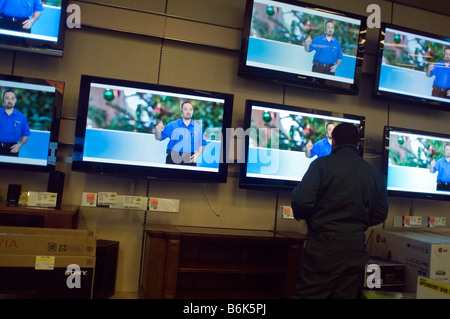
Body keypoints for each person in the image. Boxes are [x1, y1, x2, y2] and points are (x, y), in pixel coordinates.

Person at [291, 123, 389, 299]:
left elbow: (302, 202)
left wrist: (310, 217)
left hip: (323, 247)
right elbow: (380, 213)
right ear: (358, 144)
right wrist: (356, 225)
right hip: (355, 248)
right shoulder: (375, 173)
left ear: (333, 142)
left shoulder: (321, 165)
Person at [155, 101, 206, 166]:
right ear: (181, 110)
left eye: (190, 109)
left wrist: (197, 155)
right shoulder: (172, 125)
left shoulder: (198, 127)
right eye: (185, 109)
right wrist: (158, 131)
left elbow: (202, 143)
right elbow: (159, 138)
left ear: (192, 111)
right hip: (172, 159)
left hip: (190, 160)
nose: (188, 112)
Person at [0, 89, 31, 157]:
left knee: (10, 168)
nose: (10, 101)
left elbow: (26, 134)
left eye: (12, 98)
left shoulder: (21, 117)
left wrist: (19, 145)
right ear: (3, 99)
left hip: (12, 149)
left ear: (15, 100)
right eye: (7, 98)